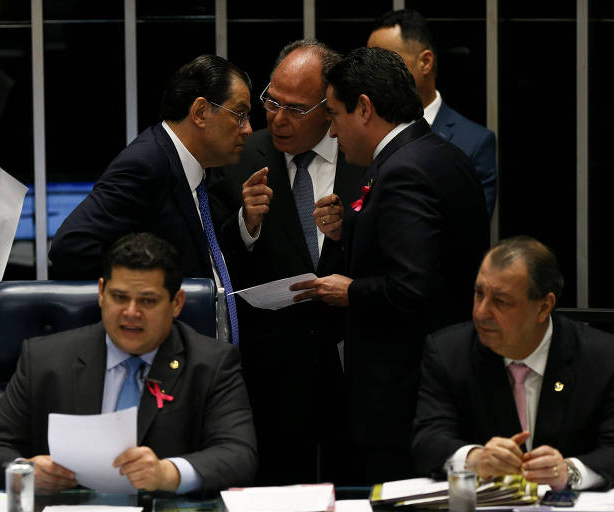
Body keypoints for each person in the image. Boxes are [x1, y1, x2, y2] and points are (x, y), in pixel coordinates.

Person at [291, 47, 489, 484]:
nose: (334, 132)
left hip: (403, 389)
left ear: (364, 108)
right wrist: (350, 234)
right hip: (440, 374)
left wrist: (349, 291)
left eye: (336, 116)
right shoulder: (440, 152)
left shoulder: (403, 171)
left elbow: (411, 286)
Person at [0, 233, 257, 494]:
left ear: (177, 303)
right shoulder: (46, 359)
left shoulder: (211, 363)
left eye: (147, 301)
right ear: (101, 293)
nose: (131, 313)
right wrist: (27, 473)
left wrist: (168, 474)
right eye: (119, 297)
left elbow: (238, 455)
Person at [208, 39, 364, 485]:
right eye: (271, 102)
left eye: (295, 109)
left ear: (329, 105)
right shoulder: (240, 160)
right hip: (273, 371)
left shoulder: (363, 157)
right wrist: (246, 225)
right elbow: (217, 263)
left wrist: (344, 234)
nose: (277, 118)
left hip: (352, 363)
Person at [49, 54, 253, 346]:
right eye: (240, 114)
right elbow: (71, 247)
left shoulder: (200, 173)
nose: (247, 128)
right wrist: (150, 297)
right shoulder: (147, 164)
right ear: (200, 112)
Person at [413, 236, 614, 491]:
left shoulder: (601, 357)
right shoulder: (449, 352)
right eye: (479, 293)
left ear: (544, 307)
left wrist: (570, 471)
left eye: (501, 301)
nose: (481, 312)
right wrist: (475, 459)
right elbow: (427, 440)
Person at [367, 9, 497, 218]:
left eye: (383, 62)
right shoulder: (365, 131)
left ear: (425, 62)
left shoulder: (473, 142)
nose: (371, 74)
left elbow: (470, 227)